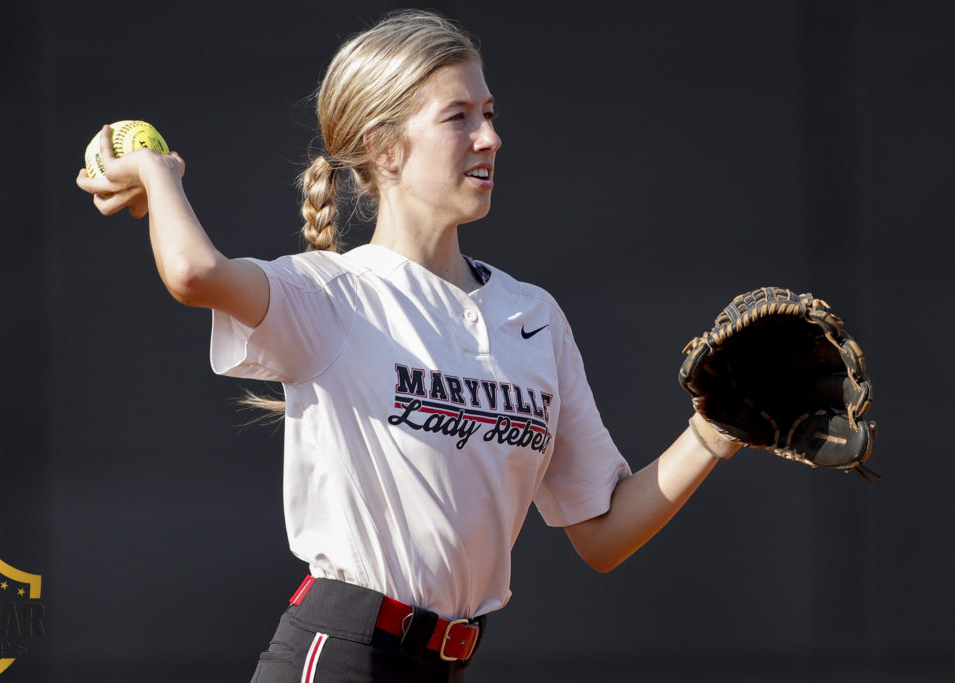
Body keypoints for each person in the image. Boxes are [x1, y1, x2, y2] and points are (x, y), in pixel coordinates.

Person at [76, 9, 739, 682]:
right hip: (340, 658)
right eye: (459, 117)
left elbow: (601, 532)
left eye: (489, 112)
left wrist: (714, 431)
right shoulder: (334, 295)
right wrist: (159, 174)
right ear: (385, 147)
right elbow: (195, 273)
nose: (491, 137)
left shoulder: (532, 317)